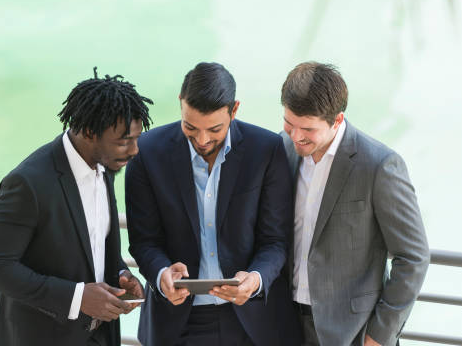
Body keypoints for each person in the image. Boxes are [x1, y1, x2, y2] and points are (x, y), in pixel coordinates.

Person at [125, 62, 296, 346]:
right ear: (181, 103)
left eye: (214, 129)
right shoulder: (146, 153)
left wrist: (255, 279)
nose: (202, 140)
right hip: (176, 324)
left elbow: (275, 240)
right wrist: (162, 273)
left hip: (254, 324)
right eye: (190, 127)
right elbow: (144, 241)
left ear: (235, 109)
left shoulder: (266, 149)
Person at [0, 69, 152, 346]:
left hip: (98, 336)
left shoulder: (103, 167)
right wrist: (77, 298)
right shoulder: (28, 183)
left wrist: (119, 274)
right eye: (123, 141)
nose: (134, 151)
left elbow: (93, 242)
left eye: (136, 138)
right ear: (90, 132)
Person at [279, 62, 430, 346]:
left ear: (336, 120)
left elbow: (413, 257)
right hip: (286, 324)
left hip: (352, 333)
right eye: (289, 123)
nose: (296, 136)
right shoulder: (283, 149)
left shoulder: (379, 166)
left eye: (307, 129)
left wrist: (378, 337)